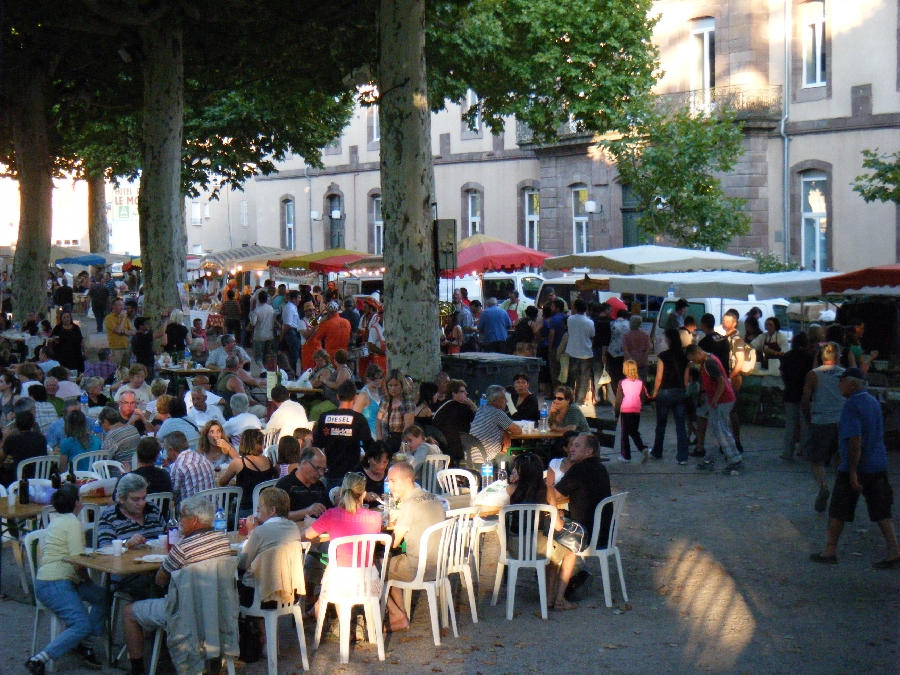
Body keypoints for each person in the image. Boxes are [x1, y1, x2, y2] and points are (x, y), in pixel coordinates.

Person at [122, 495, 232, 675]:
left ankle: (137, 669)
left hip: (186, 613)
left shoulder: (182, 548)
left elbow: (160, 580)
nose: (180, 521)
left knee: (128, 612)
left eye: (183, 517)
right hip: (218, 607)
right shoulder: (223, 541)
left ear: (194, 520)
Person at [810, 368, 900, 569]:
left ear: (852, 383)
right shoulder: (872, 402)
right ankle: (894, 551)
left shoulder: (851, 405)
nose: (839, 385)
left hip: (857, 466)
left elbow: (855, 440)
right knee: (882, 511)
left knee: (838, 510)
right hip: (877, 463)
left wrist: (851, 471)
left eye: (841, 381)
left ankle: (830, 550)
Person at [24, 485, 106, 675]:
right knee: (81, 623)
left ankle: (83, 642)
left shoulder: (57, 520)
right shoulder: (72, 523)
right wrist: (88, 579)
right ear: (77, 503)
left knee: (102, 595)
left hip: (56, 580)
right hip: (55, 583)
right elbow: (77, 561)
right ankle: (40, 658)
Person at [546, 433, 612, 610]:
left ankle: (554, 598)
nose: (571, 448)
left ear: (589, 451)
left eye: (577, 445)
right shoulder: (600, 468)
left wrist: (546, 485)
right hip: (604, 533)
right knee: (557, 529)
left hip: (585, 534)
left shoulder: (579, 470)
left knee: (550, 538)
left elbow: (555, 495)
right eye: (571, 445)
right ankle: (554, 598)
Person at [303, 472, 383, 615]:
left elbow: (305, 536)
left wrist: (313, 523)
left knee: (327, 567)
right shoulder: (375, 517)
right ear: (364, 494)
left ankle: (334, 620)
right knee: (331, 569)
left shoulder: (332, 514)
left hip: (341, 579)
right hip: (368, 579)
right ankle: (317, 610)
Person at [383, 461, 446, 631]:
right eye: (388, 481)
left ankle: (397, 615)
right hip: (440, 565)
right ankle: (400, 613)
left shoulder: (409, 505)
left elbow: (393, 543)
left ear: (407, 480)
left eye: (393, 481)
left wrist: (375, 535)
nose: (389, 486)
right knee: (391, 563)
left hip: (418, 568)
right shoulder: (432, 497)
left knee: (375, 569)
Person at [236, 487, 302, 609]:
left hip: (259, 594)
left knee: (230, 580)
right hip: (290, 591)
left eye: (260, 506)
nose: (257, 509)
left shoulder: (260, 532)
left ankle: (249, 625)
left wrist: (251, 533)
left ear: (272, 510)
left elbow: (243, 563)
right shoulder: (293, 527)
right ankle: (263, 627)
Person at [802, 342, 845, 513]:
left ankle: (823, 485)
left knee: (817, 460)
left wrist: (808, 418)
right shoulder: (845, 374)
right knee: (840, 458)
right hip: (842, 421)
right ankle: (841, 493)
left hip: (821, 420)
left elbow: (806, 400)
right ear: (838, 356)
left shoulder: (813, 375)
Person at [685, 344, 742, 474]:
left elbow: (721, 382)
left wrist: (715, 399)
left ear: (696, 353)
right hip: (721, 400)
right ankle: (710, 459)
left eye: (692, 359)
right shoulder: (710, 359)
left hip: (722, 400)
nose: (694, 362)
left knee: (721, 431)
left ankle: (735, 459)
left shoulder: (708, 363)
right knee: (715, 430)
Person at [313, 380, 373, 489]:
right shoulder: (358, 418)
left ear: (337, 397)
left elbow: (317, 446)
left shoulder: (324, 417)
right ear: (355, 397)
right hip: (352, 475)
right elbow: (369, 445)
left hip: (330, 472)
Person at [650, 328, 690, 465]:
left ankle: (657, 451)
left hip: (665, 392)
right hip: (679, 392)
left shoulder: (663, 356)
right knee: (680, 425)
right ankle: (683, 456)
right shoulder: (685, 357)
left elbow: (659, 377)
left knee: (661, 424)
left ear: (669, 339)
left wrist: (655, 392)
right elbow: (686, 379)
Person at [217, 428, 277, 517]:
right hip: (267, 511)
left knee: (224, 517)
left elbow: (222, 482)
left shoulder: (239, 463)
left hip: (246, 512)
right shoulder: (268, 460)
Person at [96, 473, 166, 549]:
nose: (141, 503)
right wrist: (125, 544)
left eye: (144, 498)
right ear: (122, 498)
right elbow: (105, 549)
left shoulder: (153, 509)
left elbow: (167, 534)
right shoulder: (109, 517)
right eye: (135, 499)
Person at [780, 332, 815, 461]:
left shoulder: (787, 356)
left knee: (790, 425)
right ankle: (804, 452)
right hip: (805, 394)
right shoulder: (810, 357)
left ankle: (787, 452)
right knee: (805, 424)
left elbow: (782, 373)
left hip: (790, 392)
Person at [275, 446, 329, 522]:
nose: (321, 473)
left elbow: (329, 509)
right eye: (317, 468)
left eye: (324, 469)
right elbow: (276, 516)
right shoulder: (285, 485)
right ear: (304, 464)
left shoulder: (319, 486)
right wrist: (306, 512)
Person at [470, 384, 522, 462]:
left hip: (471, 456)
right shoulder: (497, 413)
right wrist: (506, 432)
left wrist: (505, 432)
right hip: (487, 458)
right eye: (504, 398)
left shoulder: (481, 408)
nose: (506, 401)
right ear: (496, 400)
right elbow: (518, 431)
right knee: (517, 461)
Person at [432, 379, 477, 465]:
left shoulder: (442, 406)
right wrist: (472, 405)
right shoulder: (462, 408)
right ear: (454, 393)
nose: (466, 394)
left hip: (442, 447)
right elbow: (477, 420)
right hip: (458, 448)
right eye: (462, 391)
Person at [721, 309, 747, 453]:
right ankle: (728, 441)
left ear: (735, 323)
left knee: (731, 411)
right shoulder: (725, 338)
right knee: (727, 411)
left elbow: (740, 361)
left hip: (733, 377)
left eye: (728, 321)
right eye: (724, 320)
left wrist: (729, 378)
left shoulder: (737, 339)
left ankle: (736, 441)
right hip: (727, 376)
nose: (725, 323)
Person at [615, 359, 649, 463]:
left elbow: (618, 399)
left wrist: (616, 413)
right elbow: (645, 395)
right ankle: (642, 448)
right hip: (636, 410)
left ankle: (626, 455)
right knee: (634, 431)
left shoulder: (622, 383)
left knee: (624, 434)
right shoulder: (640, 383)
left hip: (625, 411)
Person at [166, 431, 216, 503]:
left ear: (171, 450)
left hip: (191, 511)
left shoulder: (178, 466)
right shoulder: (203, 459)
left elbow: (172, 495)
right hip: (212, 510)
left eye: (167, 450)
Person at [0, 410, 47, 485]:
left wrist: (5, 439)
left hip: (19, 479)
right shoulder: (41, 438)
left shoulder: (12, 439)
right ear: (33, 424)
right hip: (41, 478)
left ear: (15, 425)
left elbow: (1, 459)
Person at [376, 369, 416, 454]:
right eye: (390, 385)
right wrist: (379, 442)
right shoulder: (385, 400)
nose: (393, 388)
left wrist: (403, 445)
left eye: (396, 385)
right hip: (386, 440)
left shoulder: (407, 401)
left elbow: (408, 426)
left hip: (400, 441)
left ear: (402, 385)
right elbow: (379, 420)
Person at [565, 298, 595, 404]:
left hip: (572, 351)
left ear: (575, 308)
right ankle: (579, 401)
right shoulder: (590, 322)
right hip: (586, 353)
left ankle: (568, 398)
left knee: (571, 377)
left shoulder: (570, 319)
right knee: (583, 379)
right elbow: (592, 335)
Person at [58, 409, 102, 473]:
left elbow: (62, 470)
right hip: (96, 478)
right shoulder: (96, 439)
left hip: (77, 480)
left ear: (68, 424)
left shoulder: (66, 443)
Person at [352, 364, 384, 437]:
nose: (378, 381)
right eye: (374, 379)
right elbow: (355, 417)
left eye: (380, 378)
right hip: (368, 435)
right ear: (367, 379)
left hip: (379, 434)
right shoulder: (364, 395)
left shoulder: (380, 392)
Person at [606, 309, 630, 400]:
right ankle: (625, 393)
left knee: (614, 374)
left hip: (612, 351)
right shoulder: (629, 324)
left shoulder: (611, 324)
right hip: (625, 352)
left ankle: (617, 393)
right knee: (624, 374)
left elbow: (607, 338)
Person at [104, 298, 135, 367]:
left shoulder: (126, 318)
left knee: (126, 369)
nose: (122, 307)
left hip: (126, 347)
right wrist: (122, 319)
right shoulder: (109, 318)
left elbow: (133, 332)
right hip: (116, 348)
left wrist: (123, 332)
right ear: (114, 307)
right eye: (120, 305)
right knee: (116, 367)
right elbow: (118, 330)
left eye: (123, 305)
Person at [622, 314, 652, 382]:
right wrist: (643, 359)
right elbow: (648, 349)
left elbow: (625, 349)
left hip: (630, 362)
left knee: (629, 381)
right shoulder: (645, 334)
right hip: (643, 361)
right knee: (642, 382)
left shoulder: (626, 335)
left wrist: (631, 359)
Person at [250, 290, 276, 367]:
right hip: (269, 334)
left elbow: (253, 323)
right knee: (266, 354)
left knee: (258, 355)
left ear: (258, 299)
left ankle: (262, 369)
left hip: (259, 335)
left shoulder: (257, 310)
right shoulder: (271, 308)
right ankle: (266, 369)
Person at [546, 299, 567, 386]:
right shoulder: (566, 317)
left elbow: (551, 335)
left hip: (555, 347)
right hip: (566, 348)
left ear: (557, 308)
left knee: (554, 370)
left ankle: (556, 389)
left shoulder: (554, 319)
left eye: (553, 306)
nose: (551, 308)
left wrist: (550, 348)